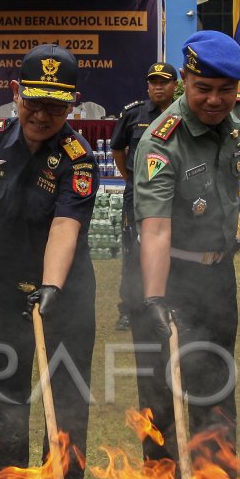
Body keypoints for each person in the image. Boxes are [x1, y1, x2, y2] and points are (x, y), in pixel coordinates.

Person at [0, 44, 98, 479]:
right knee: (6, 395)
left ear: (72, 102)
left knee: (68, 402)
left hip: (66, 297)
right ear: (16, 93)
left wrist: (51, 286)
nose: (42, 114)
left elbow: (65, 225)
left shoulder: (79, 157)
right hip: (0, 292)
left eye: (56, 105)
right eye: (34, 101)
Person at [133, 30, 240, 463]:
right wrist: (155, 298)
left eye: (227, 90)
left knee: (216, 389)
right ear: (185, 79)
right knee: (161, 400)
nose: (216, 100)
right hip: (165, 275)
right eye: (204, 89)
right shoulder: (161, 141)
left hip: (215, 276)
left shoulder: (239, 126)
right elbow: (156, 229)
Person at [109, 61, 178, 332]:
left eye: (163, 82)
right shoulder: (133, 114)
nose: (158, 87)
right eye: (153, 82)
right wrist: (130, 179)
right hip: (137, 196)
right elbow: (118, 149)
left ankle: (167, 300)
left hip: (174, 196)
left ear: (175, 85)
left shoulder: (183, 114)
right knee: (133, 250)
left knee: (172, 247)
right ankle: (130, 308)